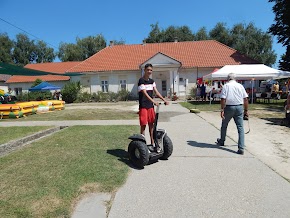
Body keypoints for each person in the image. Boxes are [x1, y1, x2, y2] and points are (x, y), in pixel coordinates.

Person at [138, 63, 169, 152]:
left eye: (151, 70)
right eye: (148, 70)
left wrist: (164, 99)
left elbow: (156, 92)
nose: (149, 71)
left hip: (150, 107)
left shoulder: (152, 81)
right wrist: (154, 101)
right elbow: (145, 93)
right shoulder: (141, 81)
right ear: (144, 70)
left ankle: (152, 144)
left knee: (152, 126)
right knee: (143, 126)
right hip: (143, 106)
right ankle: (143, 147)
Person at [216, 73, 249, 155]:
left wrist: (222, 109)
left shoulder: (226, 86)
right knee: (240, 128)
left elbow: (223, 99)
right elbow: (245, 99)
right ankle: (241, 147)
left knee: (224, 124)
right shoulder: (240, 86)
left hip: (229, 107)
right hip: (239, 107)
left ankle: (222, 140)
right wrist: (246, 110)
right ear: (235, 79)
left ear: (228, 79)